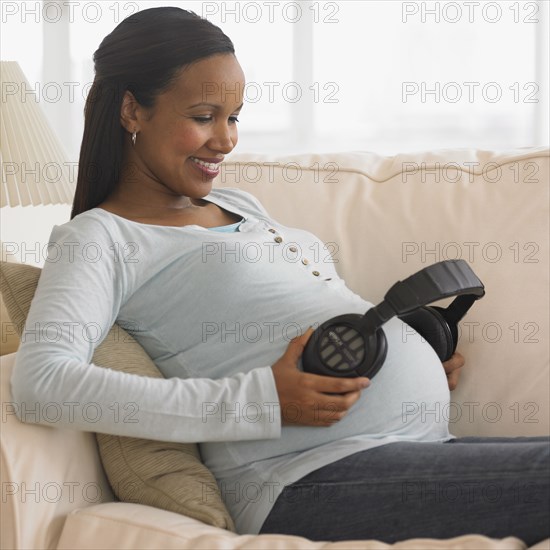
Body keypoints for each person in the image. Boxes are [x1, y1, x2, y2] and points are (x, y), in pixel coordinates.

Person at [11, 7, 549, 545]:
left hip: (415, 449)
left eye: (234, 117)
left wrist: (412, 351)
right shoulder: (100, 238)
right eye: (203, 116)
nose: (225, 140)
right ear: (132, 110)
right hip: (308, 479)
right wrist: (261, 400)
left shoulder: (239, 204)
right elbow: (43, 384)